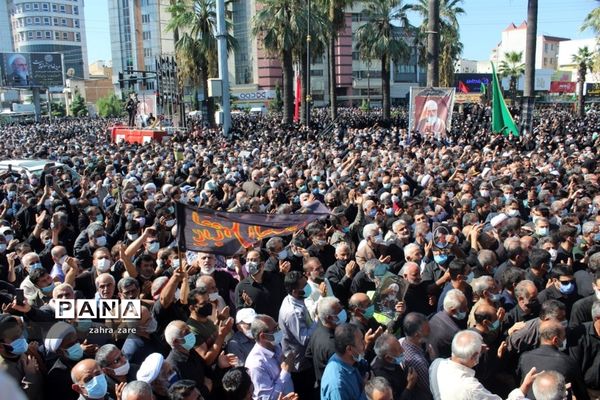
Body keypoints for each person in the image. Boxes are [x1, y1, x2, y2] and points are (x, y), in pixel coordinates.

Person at [429, 330, 537, 400]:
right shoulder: (471, 389)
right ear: (474, 357)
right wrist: (524, 387)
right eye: (480, 353)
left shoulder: (436, 364)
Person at [517, 319, 590, 400]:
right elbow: (580, 392)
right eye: (563, 337)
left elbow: (520, 383)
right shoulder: (568, 362)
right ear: (555, 340)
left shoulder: (524, 357)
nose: (564, 340)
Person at [245, 314, 296, 400]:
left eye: (278, 326)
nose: (279, 331)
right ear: (263, 336)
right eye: (275, 329)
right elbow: (268, 398)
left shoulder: (275, 346)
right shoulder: (256, 365)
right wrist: (285, 372)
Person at [320, 323, 368, 400]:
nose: (365, 343)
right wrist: (366, 392)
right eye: (361, 341)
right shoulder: (337, 386)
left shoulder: (347, 359)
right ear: (349, 349)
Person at [371, 333, 418, 399]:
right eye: (399, 349)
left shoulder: (392, 362)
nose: (403, 350)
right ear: (388, 357)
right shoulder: (381, 377)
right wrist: (410, 385)